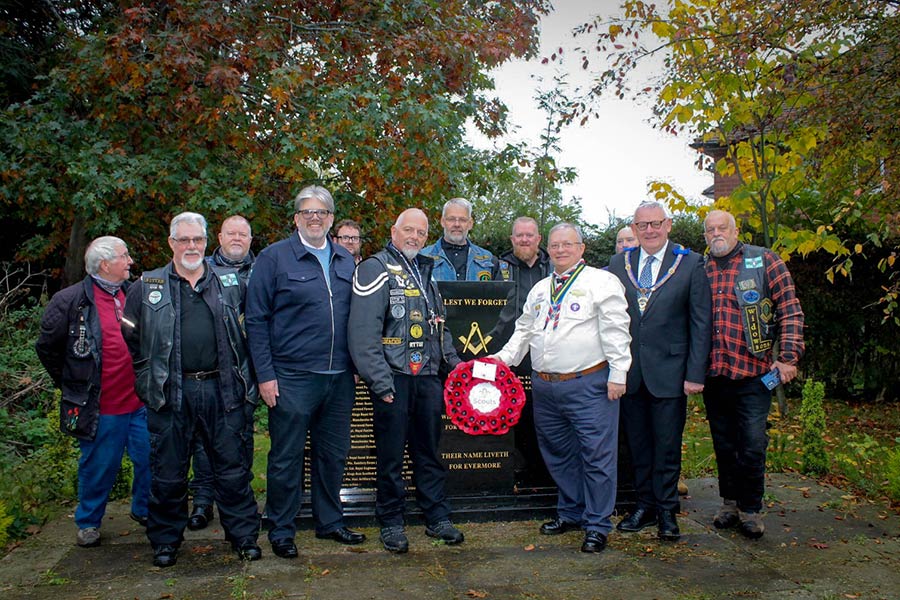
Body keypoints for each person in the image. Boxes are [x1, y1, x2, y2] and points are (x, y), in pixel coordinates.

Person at [122, 212, 261, 567]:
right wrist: (147, 379)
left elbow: (252, 333)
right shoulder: (147, 286)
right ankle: (166, 541)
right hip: (172, 393)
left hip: (223, 388)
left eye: (197, 240)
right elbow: (131, 336)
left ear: (205, 242)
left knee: (233, 470)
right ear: (171, 243)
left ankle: (244, 536)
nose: (191, 246)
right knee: (168, 472)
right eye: (183, 240)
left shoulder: (230, 282)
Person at [493, 223, 632, 553]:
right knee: (559, 455)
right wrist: (501, 361)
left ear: (581, 248)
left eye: (567, 244)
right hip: (546, 387)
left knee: (597, 457)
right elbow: (524, 330)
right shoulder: (542, 288)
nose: (560, 250)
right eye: (555, 246)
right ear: (548, 249)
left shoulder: (601, 282)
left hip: (589, 384)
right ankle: (571, 512)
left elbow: (616, 329)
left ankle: (597, 524)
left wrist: (619, 373)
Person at [245, 186, 363, 560]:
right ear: (296, 218)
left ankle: (330, 521)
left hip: (340, 378)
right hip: (292, 377)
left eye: (322, 212)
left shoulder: (346, 260)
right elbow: (257, 320)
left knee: (334, 455)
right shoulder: (273, 258)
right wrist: (265, 375)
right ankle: (281, 528)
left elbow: (358, 320)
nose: (315, 218)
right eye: (307, 212)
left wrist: (359, 366)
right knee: (286, 458)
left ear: (331, 218)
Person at [348, 208, 464, 553]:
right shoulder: (374, 267)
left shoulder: (425, 270)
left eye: (421, 232)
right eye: (408, 230)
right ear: (394, 231)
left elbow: (438, 325)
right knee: (390, 456)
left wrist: (456, 366)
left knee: (428, 451)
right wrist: (380, 382)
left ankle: (437, 517)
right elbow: (362, 333)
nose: (414, 237)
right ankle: (392, 521)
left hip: (427, 378)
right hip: (393, 379)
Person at [36, 236, 150, 548]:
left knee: (150, 459)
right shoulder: (70, 301)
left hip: (140, 401)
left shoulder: (135, 292)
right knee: (99, 466)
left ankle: (143, 509)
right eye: (124, 256)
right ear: (104, 264)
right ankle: (88, 521)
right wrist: (73, 383)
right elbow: (48, 348)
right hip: (102, 406)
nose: (130, 262)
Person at [608, 201, 712, 542]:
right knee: (637, 446)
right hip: (630, 373)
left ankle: (668, 511)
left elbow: (700, 322)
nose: (649, 230)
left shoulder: (691, 263)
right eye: (642, 225)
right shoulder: (617, 265)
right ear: (634, 229)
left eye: (655, 224)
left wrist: (696, 373)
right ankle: (644, 506)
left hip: (671, 372)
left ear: (667, 225)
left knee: (667, 446)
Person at [702, 209, 805, 539]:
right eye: (710, 230)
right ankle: (729, 503)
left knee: (752, 442)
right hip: (714, 374)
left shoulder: (763, 261)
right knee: (723, 442)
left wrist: (788, 358)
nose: (716, 234)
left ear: (735, 231)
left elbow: (789, 308)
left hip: (755, 373)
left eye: (722, 228)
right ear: (705, 236)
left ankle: (751, 509)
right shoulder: (700, 269)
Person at [188, 214, 256, 531]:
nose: (237, 239)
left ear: (251, 240)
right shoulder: (202, 271)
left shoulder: (262, 271)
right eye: (232, 233)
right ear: (219, 236)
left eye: (243, 234)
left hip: (250, 371)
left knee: (241, 440)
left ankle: (241, 503)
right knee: (204, 441)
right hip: (212, 371)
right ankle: (203, 501)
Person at [420, 197, 506, 281]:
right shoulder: (422, 258)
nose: (457, 224)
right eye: (451, 219)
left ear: (470, 224)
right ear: (442, 222)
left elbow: (500, 294)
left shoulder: (488, 260)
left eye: (462, 220)